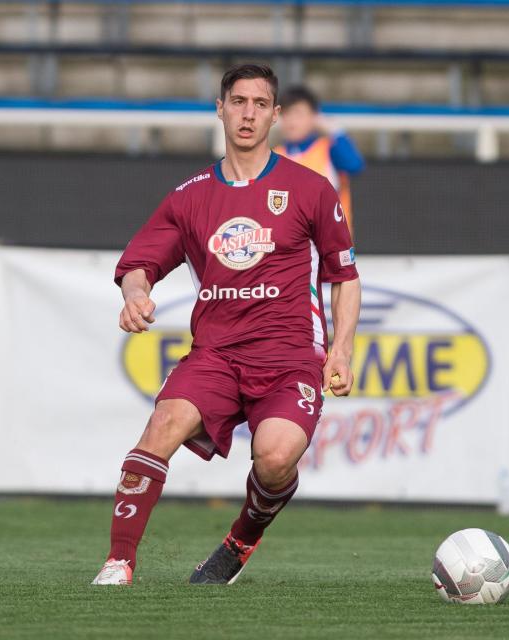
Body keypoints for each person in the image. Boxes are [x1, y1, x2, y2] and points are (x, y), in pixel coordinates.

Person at [91, 63, 361, 586]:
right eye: (238, 102)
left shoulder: (310, 189)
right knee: (162, 424)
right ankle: (118, 562)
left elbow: (344, 275)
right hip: (215, 354)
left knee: (276, 458)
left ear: (276, 115)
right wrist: (135, 294)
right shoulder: (189, 196)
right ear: (220, 109)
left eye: (260, 104)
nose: (248, 113)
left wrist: (342, 350)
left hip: (288, 357)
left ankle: (240, 541)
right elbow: (139, 264)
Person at [274, 86, 364, 237]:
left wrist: (335, 130)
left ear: (315, 117)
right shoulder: (274, 156)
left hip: (331, 245)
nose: (292, 121)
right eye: (287, 114)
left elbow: (354, 165)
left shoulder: (328, 149)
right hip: (292, 248)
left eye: (299, 114)